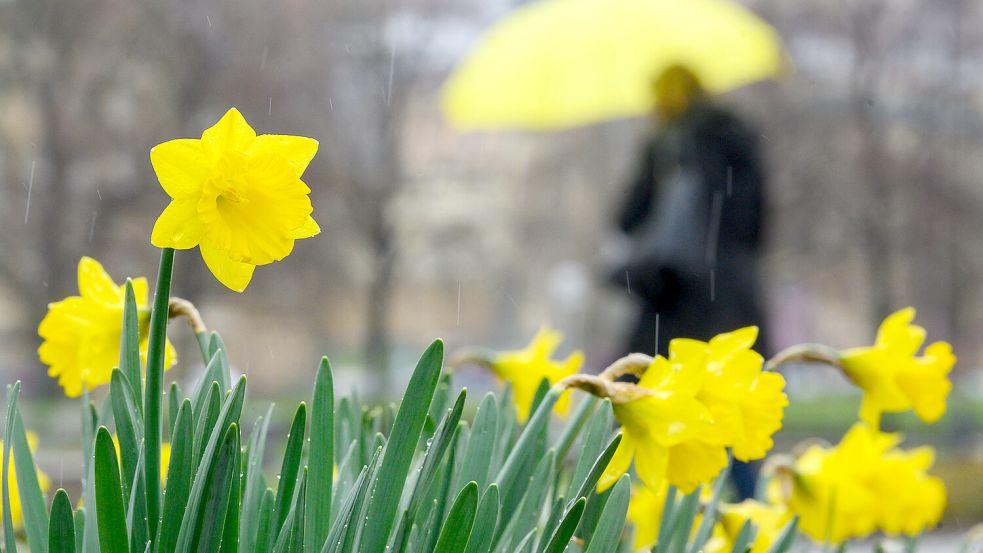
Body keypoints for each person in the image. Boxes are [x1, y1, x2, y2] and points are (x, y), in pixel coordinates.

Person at [612, 65, 769, 499]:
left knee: (679, 416)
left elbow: (626, 220)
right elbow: (754, 225)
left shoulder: (695, 144)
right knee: (728, 426)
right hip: (713, 300)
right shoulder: (725, 140)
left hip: (681, 302)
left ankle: (720, 524)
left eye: (662, 92)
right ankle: (752, 525)